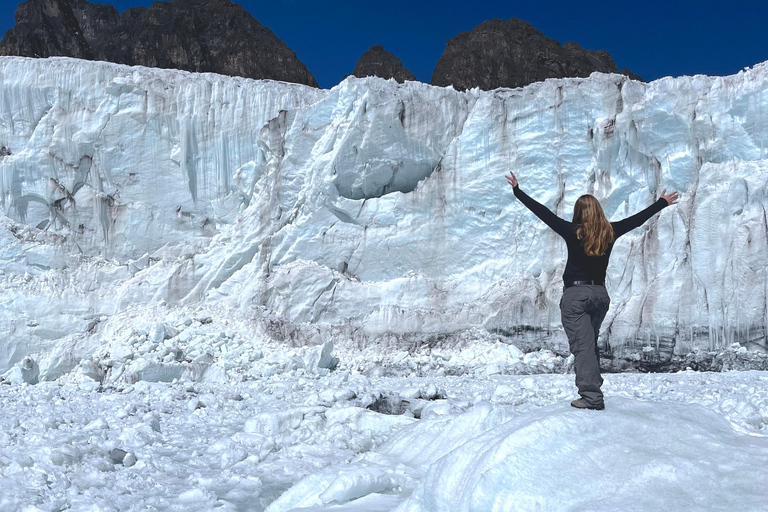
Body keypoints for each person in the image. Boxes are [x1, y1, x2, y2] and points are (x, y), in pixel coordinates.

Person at [505, 172, 679, 410]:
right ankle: (592, 387)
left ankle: (591, 397)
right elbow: (636, 220)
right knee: (589, 344)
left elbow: (544, 214)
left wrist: (518, 191)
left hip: (576, 296)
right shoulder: (610, 231)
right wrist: (661, 203)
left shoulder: (572, 231)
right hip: (600, 296)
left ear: (578, 213)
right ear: (598, 211)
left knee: (583, 347)